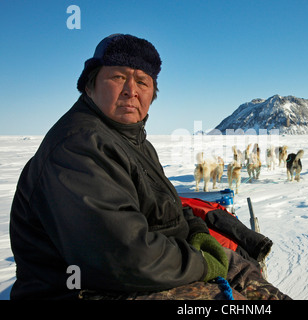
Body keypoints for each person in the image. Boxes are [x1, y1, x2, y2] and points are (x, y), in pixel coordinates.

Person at [9, 34, 290, 300]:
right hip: (85, 290)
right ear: (90, 84)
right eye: (118, 77)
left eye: (143, 81)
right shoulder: (78, 147)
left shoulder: (132, 140)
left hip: (146, 265)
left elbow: (169, 205)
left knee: (243, 269)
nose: (131, 91)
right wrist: (203, 264)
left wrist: (198, 232)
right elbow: (123, 255)